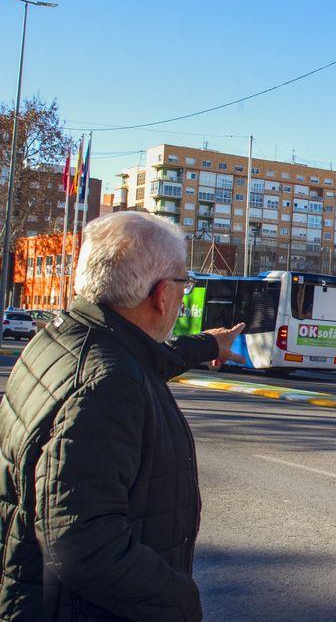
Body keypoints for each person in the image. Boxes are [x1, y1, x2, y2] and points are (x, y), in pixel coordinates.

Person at [0, 212, 245, 621]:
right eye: (185, 285)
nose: (184, 296)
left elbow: (145, 359)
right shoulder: (108, 384)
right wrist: (179, 600)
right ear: (162, 294)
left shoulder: (67, 337)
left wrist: (208, 345)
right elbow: (81, 540)